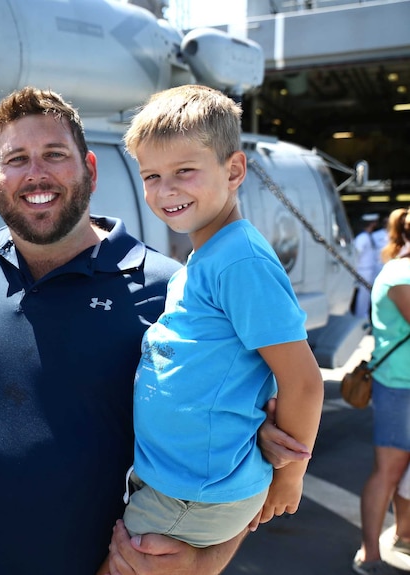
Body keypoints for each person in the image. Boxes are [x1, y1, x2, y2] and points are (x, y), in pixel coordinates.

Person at [0, 86, 303, 575]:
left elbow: (243, 460)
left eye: (54, 154)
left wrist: (203, 562)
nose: (36, 173)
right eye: (16, 158)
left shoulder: (173, 290)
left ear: (90, 169)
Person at [119, 84, 323, 548]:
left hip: (194, 492)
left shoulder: (239, 261)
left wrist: (288, 478)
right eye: (151, 176)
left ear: (233, 170)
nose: (165, 190)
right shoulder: (209, 258)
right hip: (183, 484)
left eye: (184, 171)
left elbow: (304, 381)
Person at [354, 206, 410, 575]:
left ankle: (404, 535)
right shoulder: (401, 274)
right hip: (399, 388)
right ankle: (369, 553)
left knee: (402, 472)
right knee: (388, 471)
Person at [353, 213, 384, 319]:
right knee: (363, 297)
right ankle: (360, 317)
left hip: (369, 270)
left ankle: (364, 315)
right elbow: (356, 254)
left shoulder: (368, 236)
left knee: (367, 296)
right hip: (363, 270)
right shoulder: (362, 237)